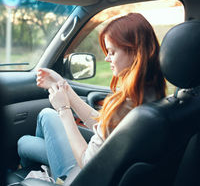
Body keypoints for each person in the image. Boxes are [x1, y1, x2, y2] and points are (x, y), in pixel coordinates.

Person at [17, 13, 166, 183]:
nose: (106, 58)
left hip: (82, 177)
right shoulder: (152, 96)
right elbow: (102, 123)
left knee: (24, 142)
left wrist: (63, 109)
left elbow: (87, 162)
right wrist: (64, 85)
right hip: (108, 169)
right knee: (41, 121)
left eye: (112, 52)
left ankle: (45, 176)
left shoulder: (125, 104)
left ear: (134, 52)